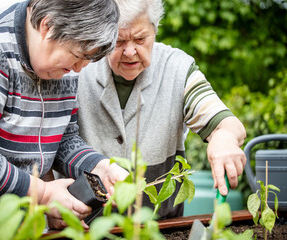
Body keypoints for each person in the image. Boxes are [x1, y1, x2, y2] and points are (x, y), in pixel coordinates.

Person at [0, 0, 129, 238]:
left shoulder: (60, 62)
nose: (78, 69)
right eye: (77, 57)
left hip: (16, 226)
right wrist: (42, 194)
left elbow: (64, 138)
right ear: (48, 26)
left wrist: (98, 166)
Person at [76, 0, 247, 219]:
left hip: (161, 228)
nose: (129, 52)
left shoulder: (177, 68)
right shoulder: (78, 67)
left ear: (155, 31)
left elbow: (225, 121)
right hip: (87, 228)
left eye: (140, 39)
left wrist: (224, 138)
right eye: (118, 41)